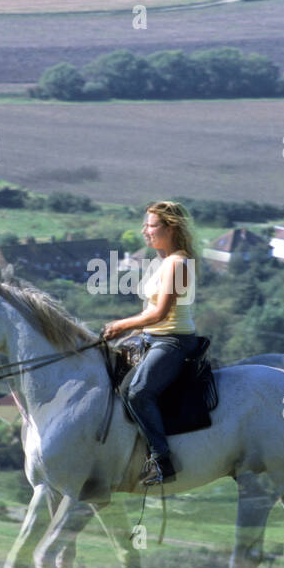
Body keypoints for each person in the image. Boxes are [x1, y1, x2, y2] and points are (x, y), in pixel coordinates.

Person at [102, 201, 200, 486]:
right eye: (145, 224)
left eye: (151, 225)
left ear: (170, 228)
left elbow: (160, 314)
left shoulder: (179, 264)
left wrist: (121, 325)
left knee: (137, 393)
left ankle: (162, 460)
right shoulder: (161, 262)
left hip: (173, 341)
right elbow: (149, 312)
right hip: (152, 336)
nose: (145, 230)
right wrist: (131, 333)